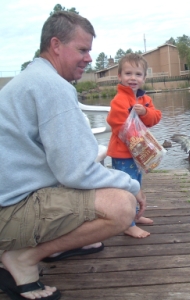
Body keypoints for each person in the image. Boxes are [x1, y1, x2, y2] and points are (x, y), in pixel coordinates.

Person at [0, 11, 146, 300]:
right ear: (56, 45)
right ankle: (23, 259)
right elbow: (76, 172)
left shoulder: (32, 78)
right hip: (10, 214)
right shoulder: (53, 87)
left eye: (89, 50)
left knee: (101, 180)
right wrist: (132, 185)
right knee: (121, 206)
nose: (89, 58)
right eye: (82, 49)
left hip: (11, 200)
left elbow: (68, 161)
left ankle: (57, 244)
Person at [107, 53, 162, 238]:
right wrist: (140, 142)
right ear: (120, 77)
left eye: (138, 74)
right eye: (128, 73)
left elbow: (156, 117)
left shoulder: (144, 99)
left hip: (139, 154)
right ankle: (127, 224)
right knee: (127, 187)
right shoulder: (119, 101)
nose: (133, 78)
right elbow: (118, 125)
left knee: (137, 184)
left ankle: (136, 215)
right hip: (123, 153)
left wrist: (145, 112)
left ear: (144, 78)